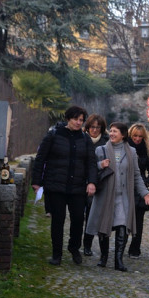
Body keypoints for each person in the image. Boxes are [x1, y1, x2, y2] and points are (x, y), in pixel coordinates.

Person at [85, 122, 149, 271]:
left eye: (115, 131)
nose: (111, 134)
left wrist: (145, 193)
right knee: (104, 228)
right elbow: (90, 171)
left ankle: (118, 260)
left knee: (123, 226)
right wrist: (100, 165)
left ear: (123, 135)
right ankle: (104, 257)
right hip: (105, 196)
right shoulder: (101, 150)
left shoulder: (131, 152)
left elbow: (136, 175)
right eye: (110, 131)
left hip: (123, 197)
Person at [32, 106, 97, 266]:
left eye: (81, 120)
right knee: (58, 221)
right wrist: (36, 181)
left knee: (77, 219)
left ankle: (74, 248)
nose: (78, 122)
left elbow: (91, 162)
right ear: (68, 118)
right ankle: (57, 254)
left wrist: (92, 182)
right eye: (76, 119)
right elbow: (41, 158)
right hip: (56, 185)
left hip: (77, 187)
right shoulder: (54, 135)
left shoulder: (85, 139)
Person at [127, 123, 149, 259]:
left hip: (140, 189)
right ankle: (121, 245)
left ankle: (135, 248)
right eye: (135, 136)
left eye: (140, 136)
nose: (137, 139)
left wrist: (146, 183)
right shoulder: (124, 147)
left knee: (138, 221)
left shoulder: (147, 150)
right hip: (126, 187)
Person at [82, 114, 109, 256]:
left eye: (98, 127)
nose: (94, 130)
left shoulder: (106, 142)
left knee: (92, 216)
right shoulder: (81, 139)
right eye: (92, 127)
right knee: (79, 215)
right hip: (80, 181)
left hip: (98, 183)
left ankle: (87, 245)